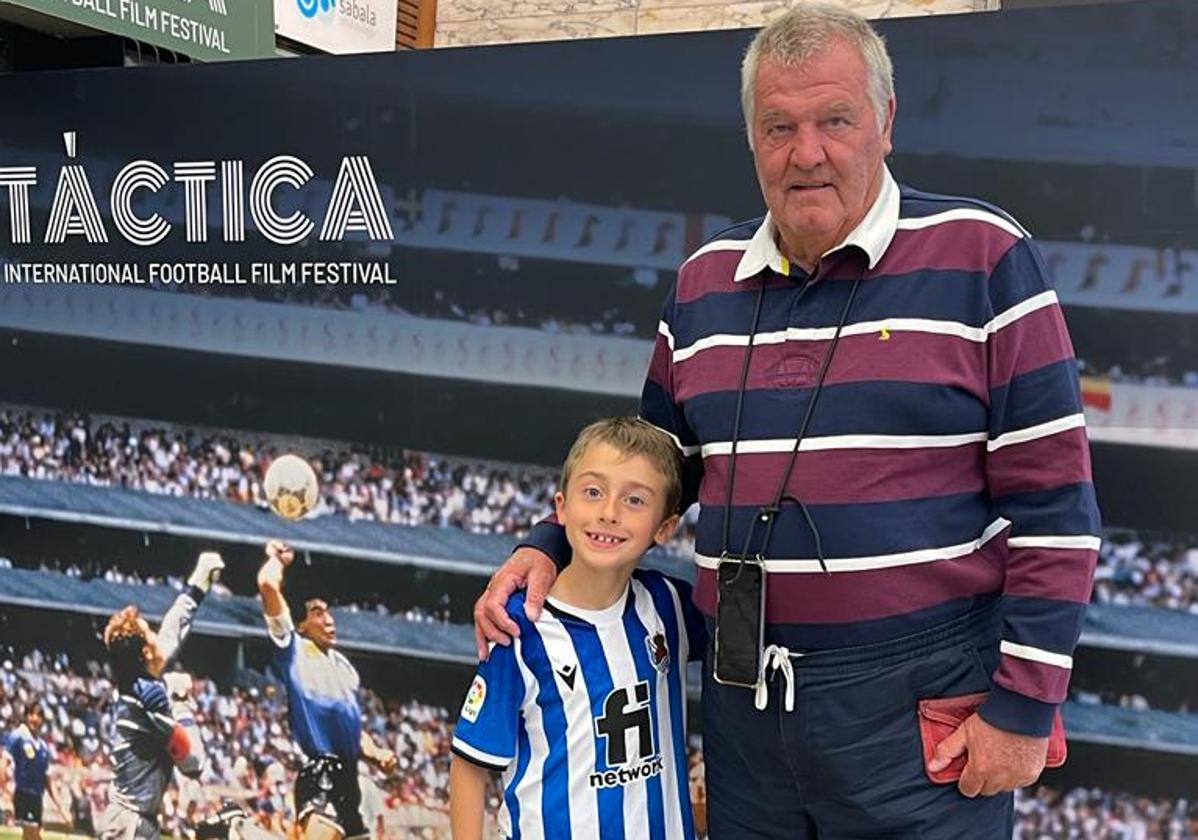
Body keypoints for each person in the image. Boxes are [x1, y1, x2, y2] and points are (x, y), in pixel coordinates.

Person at [474, 4, 1101, 838]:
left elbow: (1058, 510)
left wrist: (1024, 712)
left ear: (885, 121)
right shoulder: (703, 283)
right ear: (750, 138)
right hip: (744, 719)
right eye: (779, 127)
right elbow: (656, 464)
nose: (806, 153)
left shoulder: (984, 256)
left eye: (834, 120)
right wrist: (547, 544)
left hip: (920, 723)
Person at [451, 417, 706, 840]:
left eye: (635, 501)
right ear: (561, 507)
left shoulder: (670, 604)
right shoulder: (518, 628)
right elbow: (470, 764)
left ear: (665, 528)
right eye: (593, 492)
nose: (608, 513)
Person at [256, 541, 396, 840]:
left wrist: (377, 754)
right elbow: (267, 585)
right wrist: (277, 560)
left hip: (351, 781)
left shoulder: (344, 667)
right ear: (302, 625)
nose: (329, 619)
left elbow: (353, 729)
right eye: (317, 612)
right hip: (321, 774)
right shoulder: (291, 647)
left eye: (329, 612)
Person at [98, 551, 226, 840]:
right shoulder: (150, 697)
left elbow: (172, 630)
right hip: (130, 826)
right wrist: (181, 703)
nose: (157, 636)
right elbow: (194, 763)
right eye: (149, 633)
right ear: (145, 651)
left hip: (130, 821)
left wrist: (198, 585)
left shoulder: (139, 684)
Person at [2, 704, 70, 840]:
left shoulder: (43, 747)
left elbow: (48, 781)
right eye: (32, 714)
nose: (35, 718)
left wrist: (62, 810)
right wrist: (5, 794)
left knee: (35, 836)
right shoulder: (18, 736)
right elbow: (3, 764)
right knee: (30, 834)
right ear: (26, 717)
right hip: (23, 794)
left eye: (39, 716)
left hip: (37, 799)